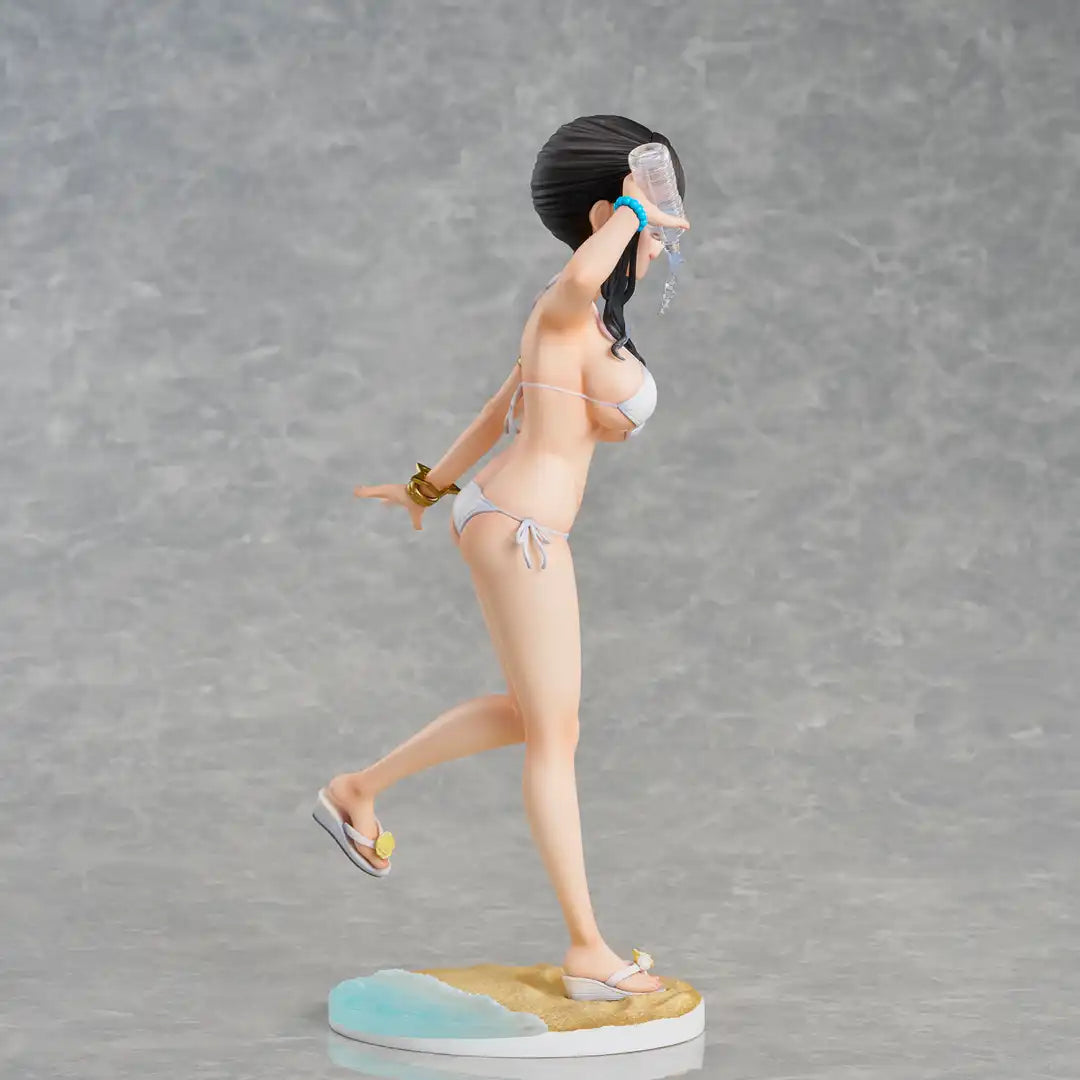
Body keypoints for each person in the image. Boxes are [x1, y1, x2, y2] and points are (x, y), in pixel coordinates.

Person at [315, 115, 689, 1001]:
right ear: (607, 217)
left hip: (513, 517)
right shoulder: (565, 298)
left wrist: (425, 488)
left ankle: (355, 791)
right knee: (554, 738)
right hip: (519, 525)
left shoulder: (584, 322)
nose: (663, 239)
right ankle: (587, 950)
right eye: (651, 221)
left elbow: (498, 411)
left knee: (535, 718)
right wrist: (635, 209)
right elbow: (582, 277)